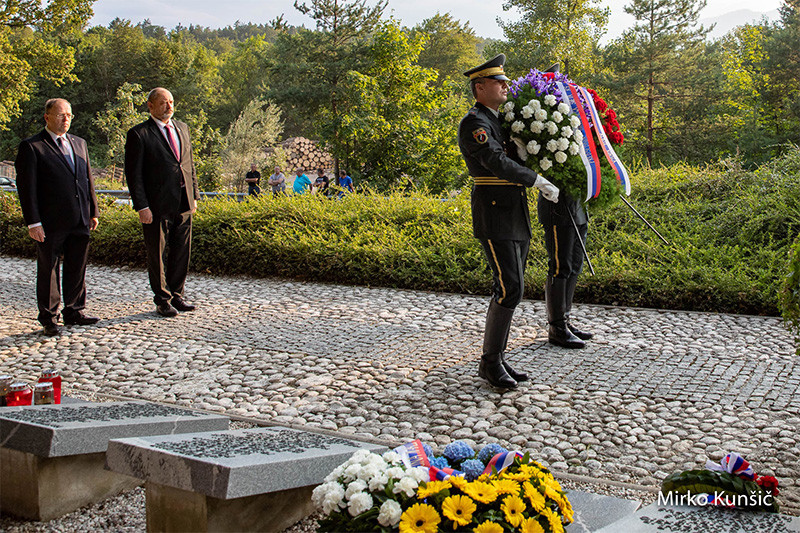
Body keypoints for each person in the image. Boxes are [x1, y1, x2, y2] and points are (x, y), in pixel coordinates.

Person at [458, 54, 560, 389]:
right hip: (494, 212)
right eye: (498, 82)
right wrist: (536, 179)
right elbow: (496, 163)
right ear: (479, 87)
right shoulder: (475, 124)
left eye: (505, 81)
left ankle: (496, 358)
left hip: (513, 212)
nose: (505, 86)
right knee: (509, 287)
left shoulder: (497, 121)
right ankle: (490, 363)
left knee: (510, 288)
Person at [15, 98, 100, 336]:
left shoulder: (79, 143)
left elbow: (87, 180)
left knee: (77, 266)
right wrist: (33, 222)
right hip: (50, 222)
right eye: (61, 115)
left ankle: (74, 311)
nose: (66, 119)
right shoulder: (32, 147)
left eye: (69, 115)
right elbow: (27, 188)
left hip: (80, 218)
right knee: (49, 270)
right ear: (47, 117)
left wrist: (94, 210)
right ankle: (49, 317)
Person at [125, 87, 200, 317]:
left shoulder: (183, 128)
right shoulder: (139, 134)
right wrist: (142, 206)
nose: (169, 106)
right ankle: (162, 299)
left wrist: (194, 195)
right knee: (157, 253)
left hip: (183, 200)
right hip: (156, 204)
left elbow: (189, 164)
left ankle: (177, 294)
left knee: (181, 251)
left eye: (171, 101)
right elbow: (133, 174)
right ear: (150, 106)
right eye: (163, 102)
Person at [537, 63, 592, 350]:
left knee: (575, 263)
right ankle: (556, 326)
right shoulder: (547, 125)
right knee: (560, 264)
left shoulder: (571, 121)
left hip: (576, 203)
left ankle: (566, 318)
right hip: (557, 205)